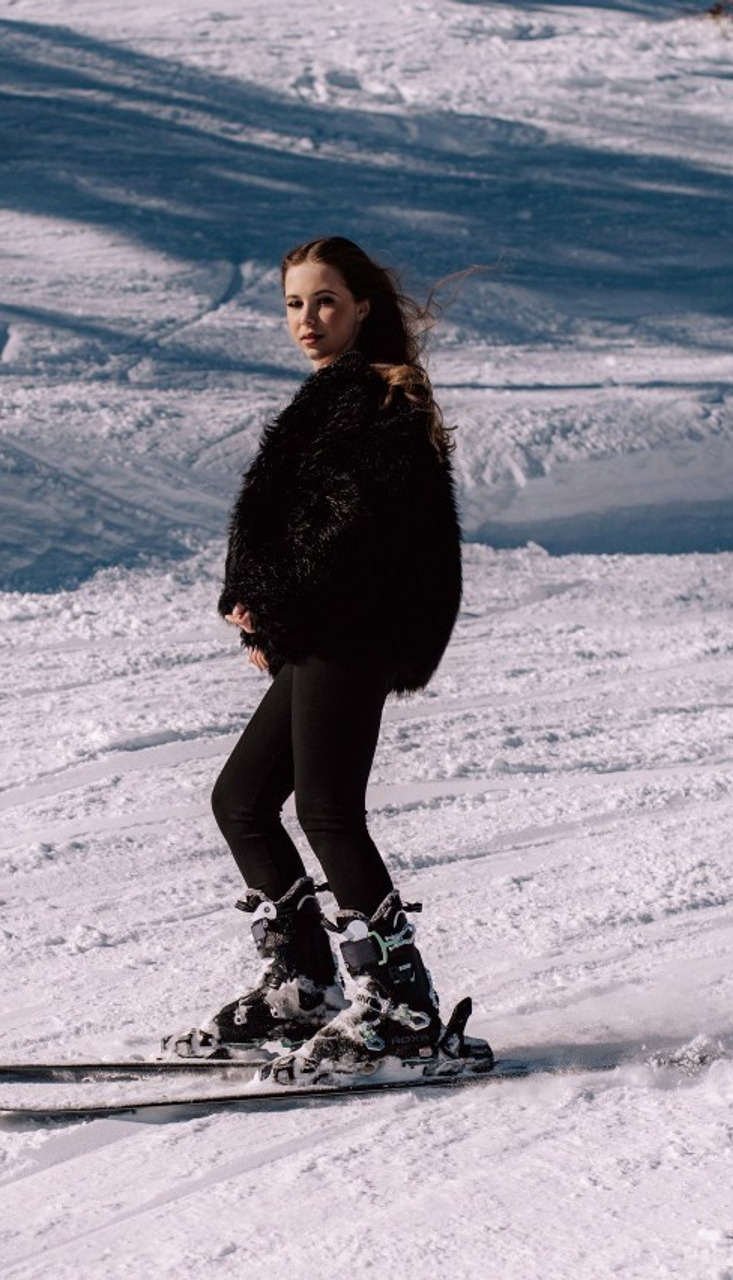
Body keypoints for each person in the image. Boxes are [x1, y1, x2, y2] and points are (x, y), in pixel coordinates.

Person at [163, 236, 488, 1084]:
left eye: (326, 302)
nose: (308, 320)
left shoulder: (378, 402)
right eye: (295, 305)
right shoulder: (333, 398)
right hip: (320, 626)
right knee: (242, 800)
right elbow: (287, 524)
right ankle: (303, 985)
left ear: (363, 307)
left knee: (329, 811)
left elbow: (351, 534)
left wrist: (274, 596)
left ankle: (400, 1006)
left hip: (357, 625)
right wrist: (256, 600)